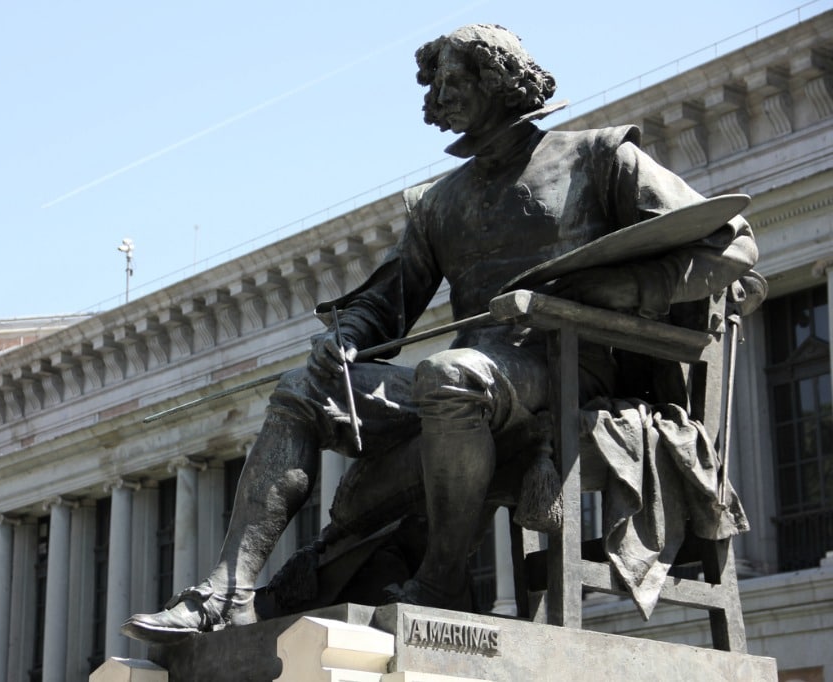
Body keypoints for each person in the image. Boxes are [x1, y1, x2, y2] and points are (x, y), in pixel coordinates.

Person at [122, 23, 757, 641]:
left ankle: (442, 581)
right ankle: (226, 590)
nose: (439, 97)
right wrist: (346, 337)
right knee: (301, 390)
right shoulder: (437, 203)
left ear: (502, 81)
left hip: (567, 373)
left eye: (456, 79)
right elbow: (387, 307)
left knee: (450, 375)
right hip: (476, 377)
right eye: (437, 85)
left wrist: (629, 290)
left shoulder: (597, 155)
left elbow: (735, 245)